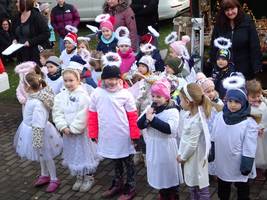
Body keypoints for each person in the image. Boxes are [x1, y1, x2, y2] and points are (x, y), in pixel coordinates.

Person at [88, 65, 140, 199]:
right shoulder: (97, 93)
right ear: (103, 79)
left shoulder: (125, 94)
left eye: (114, 78)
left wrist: (135, 135)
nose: (111, 82)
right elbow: (92, 114)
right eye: (108, 79)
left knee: (128, 161)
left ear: (119, 79)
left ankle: (131, 186)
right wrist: (93, 132)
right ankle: (118, 183)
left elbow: (132, 115)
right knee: (115, 159)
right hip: (108, 135)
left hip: (124, 135)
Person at [14, 72, 62, 193]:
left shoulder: (37, 103)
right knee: (41, 155)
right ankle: (44, 174)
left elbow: (38, 123)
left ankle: (54, 178)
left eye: (23, 84)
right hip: (31, 129)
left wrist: (37, 140)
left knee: (46, 155)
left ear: (28, 87)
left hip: (39, 132)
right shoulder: (33, 97)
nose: (22, 86)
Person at [53, 67, 100, 192]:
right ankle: (79, 176)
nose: (68, 83)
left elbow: (83, 114)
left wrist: (74, 128)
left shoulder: (83, 96)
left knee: (85, 153)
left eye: (71, 80)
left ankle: (88, 177)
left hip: (81, 133)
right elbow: (57, 112)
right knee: (74, 154)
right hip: (67, 133)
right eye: (66, 80)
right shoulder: (60, 96)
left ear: (78, 80)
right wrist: (63, 126)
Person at [212, 76, 258, 200]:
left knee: (242, 188)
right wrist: (212, 150)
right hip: (223, 161)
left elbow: (250, 146)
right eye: (230, 101)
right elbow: (214, 136)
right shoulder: (220, 116)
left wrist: (247, 163)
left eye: (237, 102)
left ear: (243, 102)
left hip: (239, 163)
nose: (232, 105)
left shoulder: (249, 123)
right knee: (223, 187)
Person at [137, 79, 183, 199]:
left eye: (159, 96)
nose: (155, 99)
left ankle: (172, 194)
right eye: (153, 96)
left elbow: (170, 129)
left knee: (168, 174)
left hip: (166, 147)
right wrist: (148, 116)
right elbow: (140, 125)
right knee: (159, 173)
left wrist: (152, 120)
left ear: (167, 97)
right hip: (154, 146)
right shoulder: (151, 108)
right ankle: (163, 193)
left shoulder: (173, 110)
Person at [210, 0, 262, 80]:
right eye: (227, 10)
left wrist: (256, 66)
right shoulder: (219, 24)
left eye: (232, 9)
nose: (230, 12)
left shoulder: (247, 21)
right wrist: (214, 65)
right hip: (225, 69)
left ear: (238, 8)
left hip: (245, 68)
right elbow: (214, 46)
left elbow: (254, 45)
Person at [177, 83, 211, 200]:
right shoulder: (188, 115)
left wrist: (183, 157)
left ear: (187, 101)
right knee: (193, 184)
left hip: (194, 158)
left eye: (180, 99)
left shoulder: (197, 121)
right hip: (189, 156)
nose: (179, 102)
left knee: (200, 184)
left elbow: (192, 144)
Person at [12, 0, 50, 65]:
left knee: (35, 74)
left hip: (35, 54)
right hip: (22, 53)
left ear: (25, 3)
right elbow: (13, 32)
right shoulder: (16, 17)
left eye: (18, 2)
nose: (16, 4)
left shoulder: (37, 17)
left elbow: (46, 34)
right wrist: (14, 39)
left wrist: (31, 42)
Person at [246, 80, 267, 181]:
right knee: (257, 152)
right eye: (253, 97)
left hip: (265, 132)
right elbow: (247, 121)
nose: (256, 99)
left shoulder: (264, 102)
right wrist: (257, 128)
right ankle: (257, 169)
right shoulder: (247, 108)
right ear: (247, 96)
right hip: (255, 134)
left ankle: (263, 168)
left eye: (258, 96)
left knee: (264, 150)